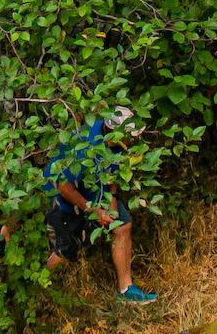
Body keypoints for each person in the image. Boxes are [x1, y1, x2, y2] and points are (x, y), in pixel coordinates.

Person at [44, 106, 153, 302]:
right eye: (130, 134)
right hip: (62, 191)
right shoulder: (83, 144)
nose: (134, 139)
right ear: (114, 132)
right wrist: (92, 209)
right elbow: (64, 186)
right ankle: (41, 291)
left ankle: (126, 290)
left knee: (122, 226)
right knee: (66, 249)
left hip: (92, 185)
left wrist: (112, 206)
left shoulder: (120, 145)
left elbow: (111, 177)